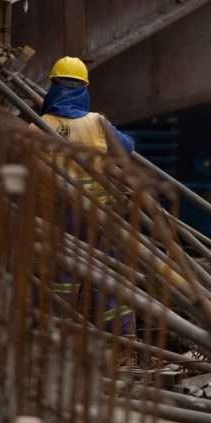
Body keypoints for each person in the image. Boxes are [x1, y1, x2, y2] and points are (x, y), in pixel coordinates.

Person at [40, 56, 137, 343]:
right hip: (98, 212)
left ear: (53, 86)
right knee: (111, 275)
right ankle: (122, 342)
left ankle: (58, 335)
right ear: (84, 89)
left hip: (58, 215)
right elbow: (127, 148)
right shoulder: (97, 123)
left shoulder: (39, 124)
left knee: (62, 277)